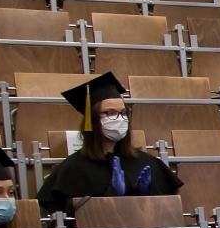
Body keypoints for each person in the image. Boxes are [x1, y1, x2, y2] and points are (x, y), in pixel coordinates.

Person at [36, 73, 182, 214]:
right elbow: (69, 216)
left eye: (123, 113)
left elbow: (169, 211)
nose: (120, 118)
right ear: (92, 120)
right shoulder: (74, 168)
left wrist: (145, 194)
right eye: (110, 113)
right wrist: (112, 195)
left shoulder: (146, 162)